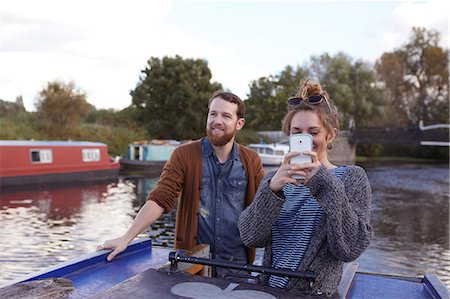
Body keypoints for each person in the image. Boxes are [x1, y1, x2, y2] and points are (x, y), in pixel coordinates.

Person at [99, 91, 265, 277]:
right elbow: (160, 198)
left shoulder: (252, 161)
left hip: (238, 267)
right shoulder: (184, 155)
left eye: (226, 116)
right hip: (193, 265)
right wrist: (127, 238)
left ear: (239, 123)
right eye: (213, 114)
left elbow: (262, 210)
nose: (217, 120)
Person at [238, 79, 373, 297]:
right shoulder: (275, 179)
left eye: (313, 132)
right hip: (268, 292)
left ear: (331, 135)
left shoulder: (351, 178)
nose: (305, 139)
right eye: (297, 132)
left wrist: (322, 181)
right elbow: (250, 237)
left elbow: (350, 247)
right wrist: (271, 191)